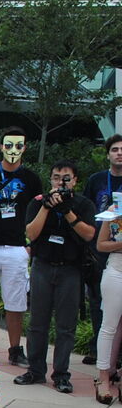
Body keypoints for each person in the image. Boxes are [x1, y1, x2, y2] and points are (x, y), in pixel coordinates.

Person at [15, 161, 97, 394]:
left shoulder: (83, 204)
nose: (60, 182)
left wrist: (68, 212)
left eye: (66, 178)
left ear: (75, 180)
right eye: (56, 177)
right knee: (37, 322)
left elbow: (89, 234)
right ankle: (35, 370)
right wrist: (47, 208)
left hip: (71, 269)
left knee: (65, 326)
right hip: (42, 265)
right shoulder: (38, 202)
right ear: (50, 179)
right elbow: (30, 234)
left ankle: (61, 374)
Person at [0, 127, 43, 367]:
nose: (13, 150)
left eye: (18, 146)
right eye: (9, 145)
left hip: (18, 248)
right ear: (1, 147)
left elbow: (39, 212)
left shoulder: (32, 179)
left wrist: (31, 246)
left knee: (17, 303)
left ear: (24, 148)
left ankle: (15, 349)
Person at [81, 134, 122, 366]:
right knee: (97, 302)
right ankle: (99, 350)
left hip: (120, 252)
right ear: (108, 154)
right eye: (115, 149)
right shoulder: (97, 180)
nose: (119, 153)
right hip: (98, 249)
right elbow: (87, 208)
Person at [94, 215, 122, 404]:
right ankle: (103, 378)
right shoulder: (115, 211)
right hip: (116, 270)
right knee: (109, 326)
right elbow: (101, 245)